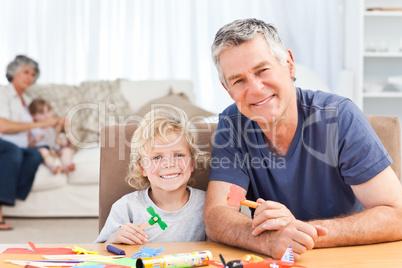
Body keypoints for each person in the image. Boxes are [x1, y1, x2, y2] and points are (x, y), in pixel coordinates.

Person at [203, 18, 402, 260]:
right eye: (238, 80)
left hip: (348, 257)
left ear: (288, 64)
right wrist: (268, 240)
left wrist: (298, 235)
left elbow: (396, 215)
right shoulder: (232, 123)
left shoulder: (340, 117)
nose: (255, 88)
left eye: (262, 70)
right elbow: (217, 214)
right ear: (227, 89)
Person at [95, 107, 210, 244]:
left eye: (178, 155)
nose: (169, 164)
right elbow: (100, 253)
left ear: (192, 163)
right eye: (157, 157)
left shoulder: (208, 204)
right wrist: (114, 239)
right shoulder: (126, 207)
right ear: (142, 167)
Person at [0, 55, 59, 230]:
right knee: (13, 152)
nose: (30, 77)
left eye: (33, 74)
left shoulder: (26, 100)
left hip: (20, 145)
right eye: (26, 72)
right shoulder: (4, 93)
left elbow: (29, 129)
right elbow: (2, 126)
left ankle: (10, 194)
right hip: (3, 142)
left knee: (34, 155)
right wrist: (40, 123)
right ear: (13, 72)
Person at [28, 98, 75, 174]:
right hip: (43, 149)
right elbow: (30, 145)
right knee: (43, 151)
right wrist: (35, 140)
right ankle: (53, 166)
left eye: (48, 112)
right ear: (34, 116)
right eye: (42, 113)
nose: (47, 116)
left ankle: (67, 165)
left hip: (55, 148)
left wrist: (64, 140)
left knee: (66, 149)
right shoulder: (33, 129)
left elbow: (59, 137)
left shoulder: (54, 126)